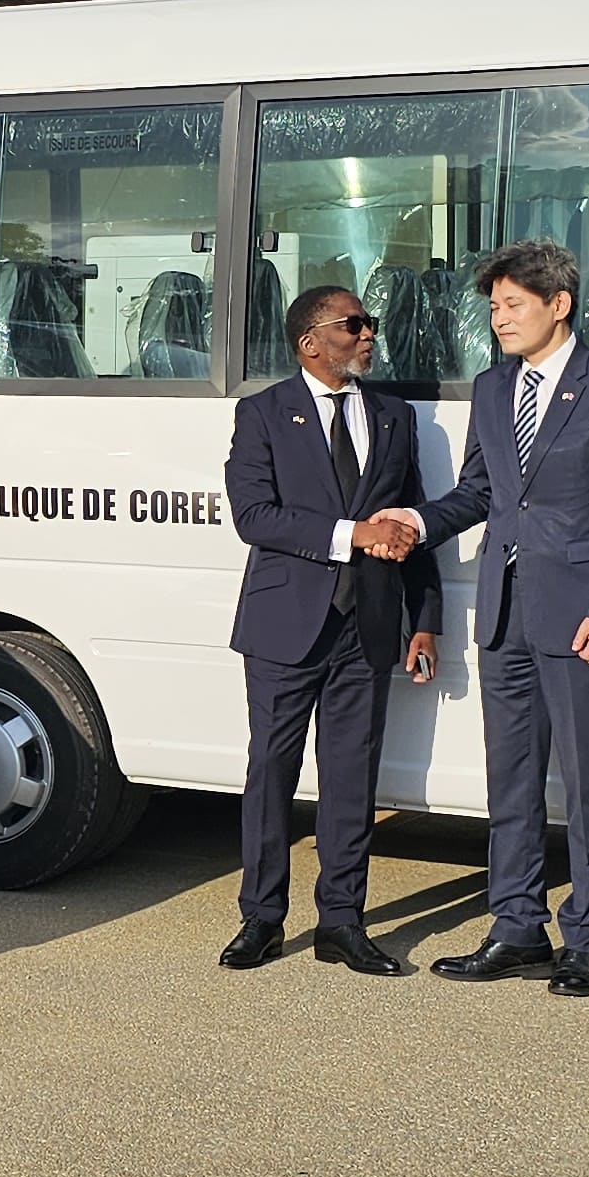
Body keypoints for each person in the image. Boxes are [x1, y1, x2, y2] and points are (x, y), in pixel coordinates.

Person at [360, 240, 589, 996]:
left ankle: (587, 938)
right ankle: (516, 927)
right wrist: (418, 522)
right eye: (493, 306)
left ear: (559, 305)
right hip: (504, 608)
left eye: (513, 304)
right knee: (512, 779)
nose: (499, 318)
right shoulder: (494, 390)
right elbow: (480, 493)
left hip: (581, 614)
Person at [220, 284, 441, 973]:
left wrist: (425, 622)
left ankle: (341, 923)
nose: (368, 333)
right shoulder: (262, 414)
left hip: (368, 629)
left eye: (370, 322)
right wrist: (354, 534)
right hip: (286, 625)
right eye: (354, 324)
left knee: (351, 780)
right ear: (311, 340)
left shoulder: (394, 417)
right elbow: (253, 516)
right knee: (272, 775)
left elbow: (413, 523)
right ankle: (261, 918)